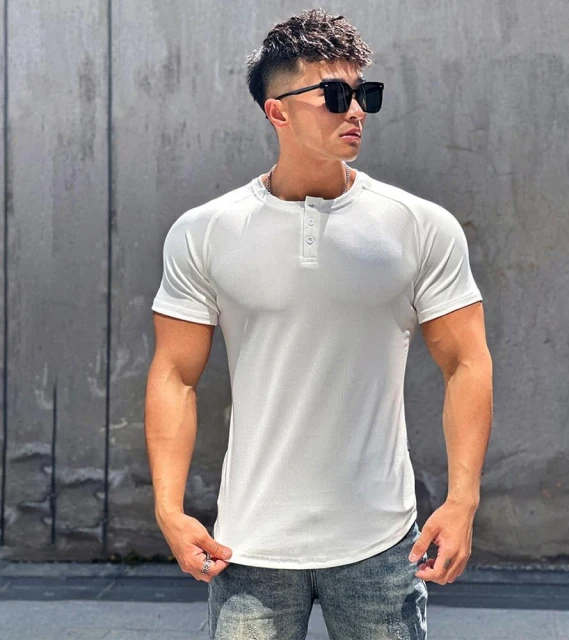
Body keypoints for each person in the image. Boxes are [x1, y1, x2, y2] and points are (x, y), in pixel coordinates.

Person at [145, 8, 492, 640]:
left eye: (364, 94)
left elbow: (466, 361)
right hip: (249, 547)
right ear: (276, 111)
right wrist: (168, 508)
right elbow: (174, 373)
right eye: (334, 95)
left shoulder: (419, 226)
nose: (355, 110)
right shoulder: (205, 231)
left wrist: (463, 499)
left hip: (381, 544)